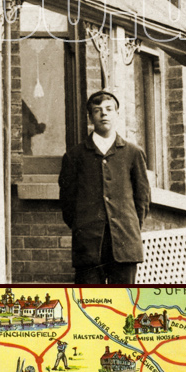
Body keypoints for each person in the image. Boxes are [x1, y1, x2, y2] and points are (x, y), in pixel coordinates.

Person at [58, 88, 152, 286]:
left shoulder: (133, 153)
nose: (104, 114)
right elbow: (67, 202)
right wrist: (82, 228)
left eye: (109, 109)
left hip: (125, 244)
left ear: (117, 114)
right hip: (89, 247)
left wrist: (129, 227)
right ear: (90, 116)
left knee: (123, 305)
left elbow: (142, 199)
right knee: (90, 304)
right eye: (97, 110)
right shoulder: (75, 156)